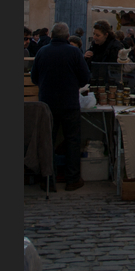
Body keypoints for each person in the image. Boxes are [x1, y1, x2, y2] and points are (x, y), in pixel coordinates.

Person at [29, 22, 91, 191]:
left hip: (47, 104)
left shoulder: (42, 52)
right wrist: (73, 85)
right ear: (67, 36)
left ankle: (48, 180)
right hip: (70, 102)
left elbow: (34, 78)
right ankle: (72, 179)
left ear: (52, 36)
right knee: (72, 140)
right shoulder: (74, 52)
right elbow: (85, 78)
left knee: (47, 140)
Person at [85, 20, 123, 84]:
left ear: (106, 35)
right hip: (95, 80)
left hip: (110, 82)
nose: (94, 37)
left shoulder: (115, 47)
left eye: (97, 35)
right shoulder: (95, 45)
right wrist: (86, 56)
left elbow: (114, 68)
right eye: (94, 34)